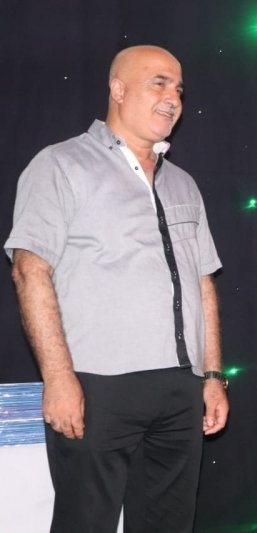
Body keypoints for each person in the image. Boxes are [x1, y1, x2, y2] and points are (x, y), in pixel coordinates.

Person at [4, 45, 228, 532]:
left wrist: (212, 375)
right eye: (159, 83)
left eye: (179, 89)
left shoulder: (183, 184)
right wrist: (58, 378)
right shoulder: (61, 164)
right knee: (86, 523)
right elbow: (29, 271)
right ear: (118, 89)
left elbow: (202, 281)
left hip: (181, 385)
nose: (173, 97)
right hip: (97, 385)